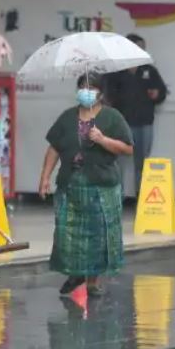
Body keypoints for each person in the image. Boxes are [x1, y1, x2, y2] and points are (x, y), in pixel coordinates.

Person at [38, 73, 133, 297]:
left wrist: (103, 140)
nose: (85, 91)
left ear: (101, 92)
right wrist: (45, 178)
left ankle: (93, 280)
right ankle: (75, 273)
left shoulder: (112, 117)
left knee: (98, 233)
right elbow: (54, 148)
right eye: (82, 86)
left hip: (101, 184)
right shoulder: (67, 117)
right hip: (71, 182)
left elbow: (128, 148)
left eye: (91, 87)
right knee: (69, 232)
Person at [109, 34, 167, 198]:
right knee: (118, 162)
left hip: (144, 123)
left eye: (143, 47)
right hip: (122, 123)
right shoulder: (117, 71)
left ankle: (141, 197)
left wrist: (157, 94)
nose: (142, 51)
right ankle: (116, 197)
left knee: (143, 162)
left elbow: (162, 92)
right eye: (138, 47)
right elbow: (108, 94)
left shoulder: (149, 70)